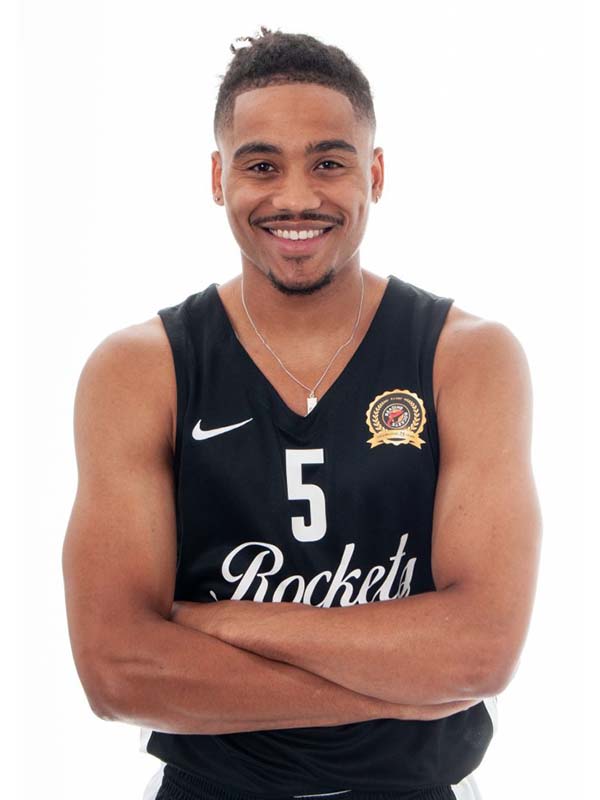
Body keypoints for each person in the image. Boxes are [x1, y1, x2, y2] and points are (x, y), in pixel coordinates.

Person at [62, 27, 542, 800]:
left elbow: (477, 654)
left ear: (374, 173)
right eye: (261, 165)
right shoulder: (139, 371)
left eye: (328, 162)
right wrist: (403, 686)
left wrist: (221, 621)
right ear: (218, 177)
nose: (294, 198)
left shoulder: (467, 357)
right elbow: (117, 673)